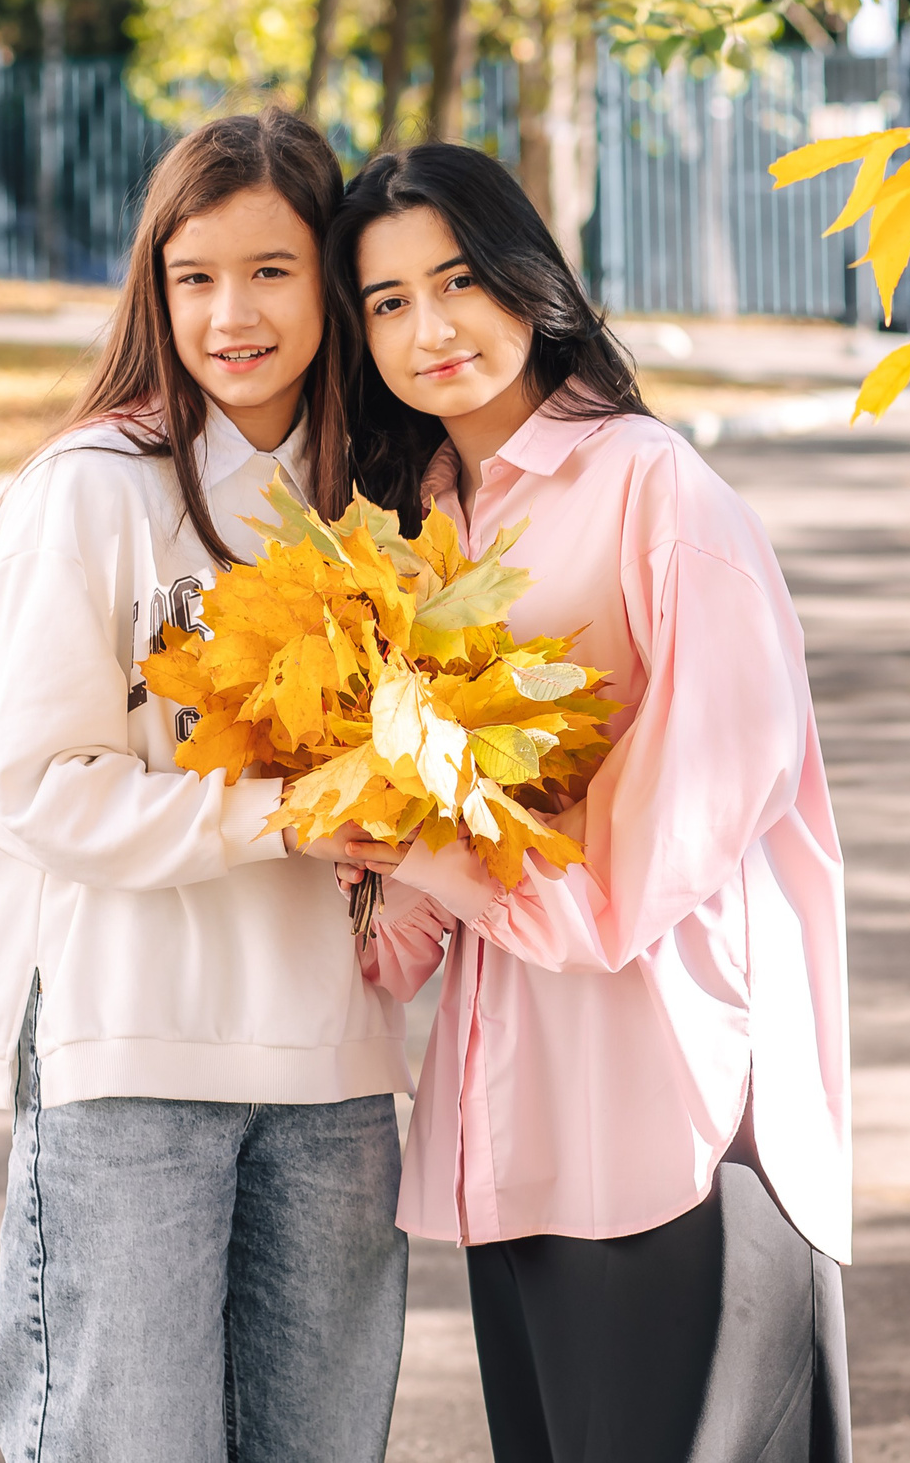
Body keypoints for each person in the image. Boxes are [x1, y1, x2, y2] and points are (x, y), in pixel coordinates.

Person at [323, 142, 854, 1463]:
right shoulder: (424, 528)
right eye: (387, 302)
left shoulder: (654, 493)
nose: (430, 328)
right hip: (514, 1132)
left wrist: (430, 858)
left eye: (456, 281)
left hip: (670, 1116)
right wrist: (374, 881)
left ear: (528, 279)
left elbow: (665, 843)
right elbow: (429, 876)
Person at [0, 109, 405, 1463]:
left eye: (271, 270)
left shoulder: (387, 500)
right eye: (193, 275)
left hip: (334, 1073)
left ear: (329, 276)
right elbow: (42, 784)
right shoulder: (91, 489)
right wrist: (284, 815)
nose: (231, 314)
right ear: (152, 285)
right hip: (128, 1058)